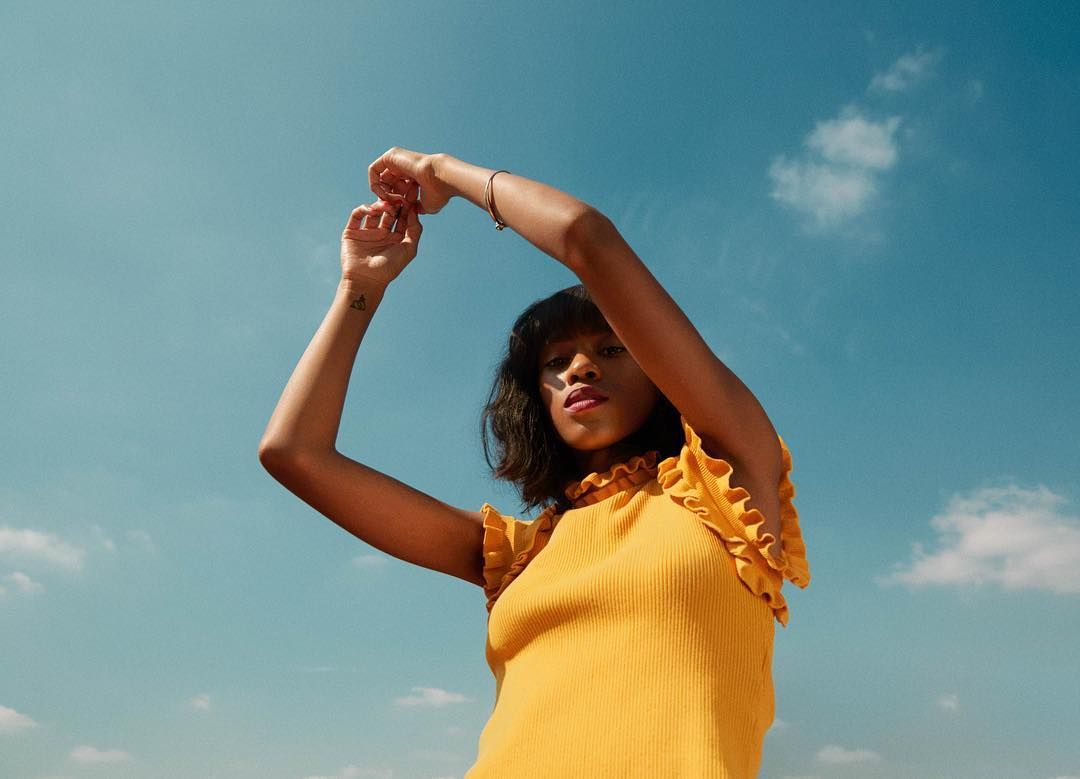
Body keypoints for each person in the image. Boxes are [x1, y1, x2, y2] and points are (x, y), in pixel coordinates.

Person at [258, 148, 810, 778]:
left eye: (609, 348)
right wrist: (360, 288)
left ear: (661, 374)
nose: (579, 366)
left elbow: (584, 237)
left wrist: (441, 173)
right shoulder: (517, 552)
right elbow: (293, 454)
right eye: (555, 362)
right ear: (536, 401)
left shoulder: (728, 479)